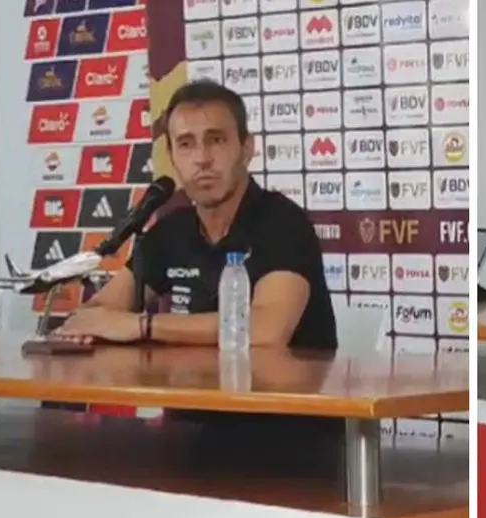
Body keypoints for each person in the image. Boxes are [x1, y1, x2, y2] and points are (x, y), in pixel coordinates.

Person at [52, 80, 337, 351]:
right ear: (172, 156)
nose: (202, 158)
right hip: (192, 398)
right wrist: (92, 323)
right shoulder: (171, 230)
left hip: (273, 401)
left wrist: (144, 325)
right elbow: (98, 311)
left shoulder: (284, 224)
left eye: (216, 140)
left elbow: (266, 331)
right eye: (186, 144)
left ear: (247, 149)